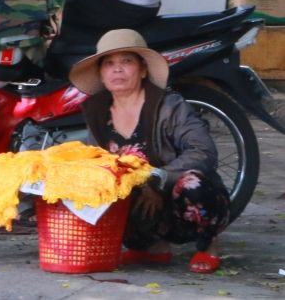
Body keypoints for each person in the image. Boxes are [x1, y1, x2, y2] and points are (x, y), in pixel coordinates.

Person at [69, 29, 230, 273]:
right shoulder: (97, 111)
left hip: (179, 204)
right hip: (140, 207)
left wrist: (158, 178)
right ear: (101, 74)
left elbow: (203, 150)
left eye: (127, 61)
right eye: (109, 63)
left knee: (192, 184)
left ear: (143, 70)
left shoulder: (168, 105)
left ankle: (208, 246)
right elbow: (98, 161)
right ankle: (152, 248)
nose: (117, 69)